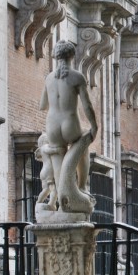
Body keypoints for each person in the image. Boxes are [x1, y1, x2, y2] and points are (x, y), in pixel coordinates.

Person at [39, 40, 98, 215]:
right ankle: (81, 186)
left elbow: (42, 105)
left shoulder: (49, 78)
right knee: (82, 147)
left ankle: (59, 201)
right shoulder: (77, 77)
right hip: (70, 123)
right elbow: (87, 105)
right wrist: (94, 126)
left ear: (55, 56)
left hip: (52, 126)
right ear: (72, 56)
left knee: (58, 162)